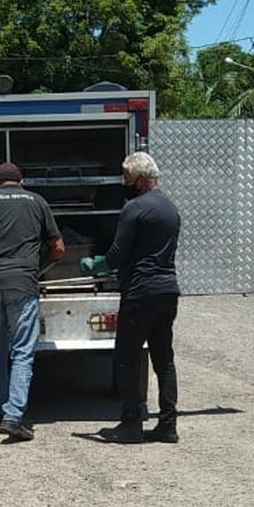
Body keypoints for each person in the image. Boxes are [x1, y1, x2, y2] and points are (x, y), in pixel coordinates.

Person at [0, 161, 65, 441]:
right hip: (22, 284)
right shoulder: (37, 201)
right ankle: (14, 416)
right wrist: (38, 267)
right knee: (22, 351)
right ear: (20, 181)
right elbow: (59, 248)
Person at [98, 151, 181, 444]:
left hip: (140, 291)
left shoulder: (134, 209)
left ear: (142, 178)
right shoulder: (170, 208)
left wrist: (99, 264)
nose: (125, 182)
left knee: (126, 357)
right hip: (168, 289)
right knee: (164, 359)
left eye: (128, 177)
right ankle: (168, 425)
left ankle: (131, 422)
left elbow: (118, 253)